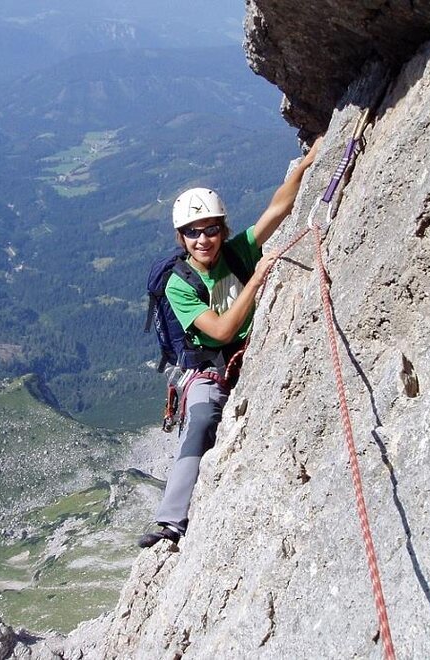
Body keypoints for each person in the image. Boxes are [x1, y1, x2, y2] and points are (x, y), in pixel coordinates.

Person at [138, 139, 321, 548]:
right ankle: (172, 520)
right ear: (181, 237)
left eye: (210, 230)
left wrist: (309, 162)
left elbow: (278, 209)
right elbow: (220, 332)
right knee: (202, 419)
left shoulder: (236, 253)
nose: (203, 240)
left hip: (250, 353)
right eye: (192, 232)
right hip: (206, 368)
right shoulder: (179, 283)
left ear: (222, 230)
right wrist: (256, 280)